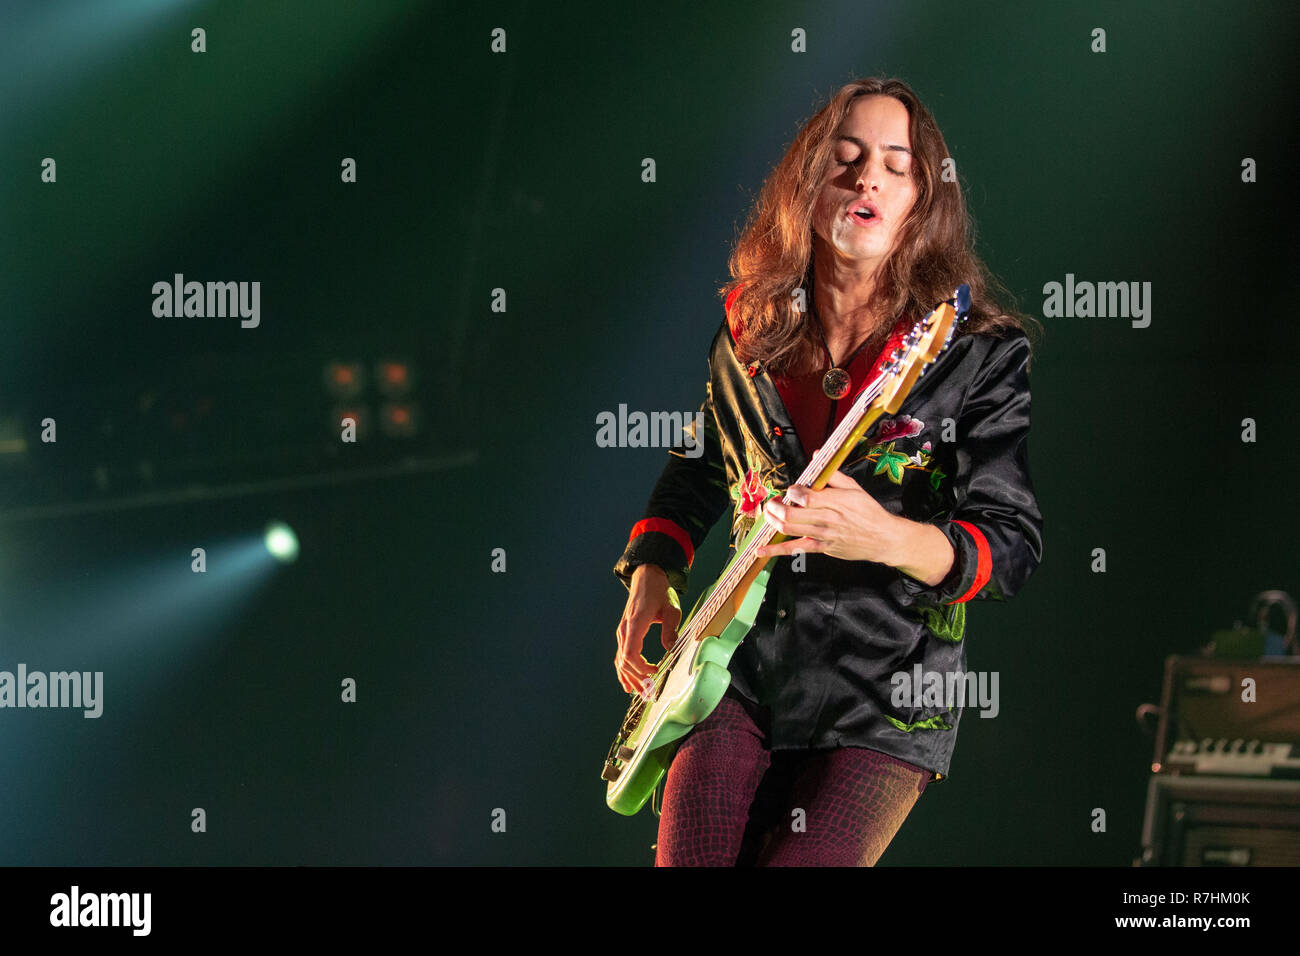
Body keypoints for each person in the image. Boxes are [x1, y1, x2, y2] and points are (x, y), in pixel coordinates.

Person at [612, 77, 1043, 866]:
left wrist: (884, 535)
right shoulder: (753, 325)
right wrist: (651, 578)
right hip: (734, 670)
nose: (867, 178)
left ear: (923, 199)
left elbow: (1009, 544)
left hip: (887, 697)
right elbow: (704, 462)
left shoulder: (975, 352)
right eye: (843, 160)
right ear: (805, 189)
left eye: (895, 164)